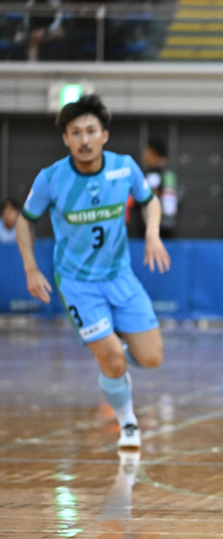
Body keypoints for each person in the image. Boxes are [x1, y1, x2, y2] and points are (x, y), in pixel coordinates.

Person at [15, 94, 170, 450]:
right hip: (78, 283)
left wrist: (152, 234)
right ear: (66, 139)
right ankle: (128, 421)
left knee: (151, 358)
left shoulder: (124, 167)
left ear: (104, 135)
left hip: (121, 277)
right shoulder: (51, 179)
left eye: (90, 131)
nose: (84, 140)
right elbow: (25, 222)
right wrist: (31, 269)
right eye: (75, 132)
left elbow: (151, 201)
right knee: (113, 360)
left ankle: (113, 351)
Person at [143, 138, 179, 239]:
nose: (144, 156)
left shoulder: (153, 175)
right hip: (169, 228)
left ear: (154, 154)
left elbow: (149, 199)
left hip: (153, 230)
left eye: (147, 153)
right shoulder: (170, 173)